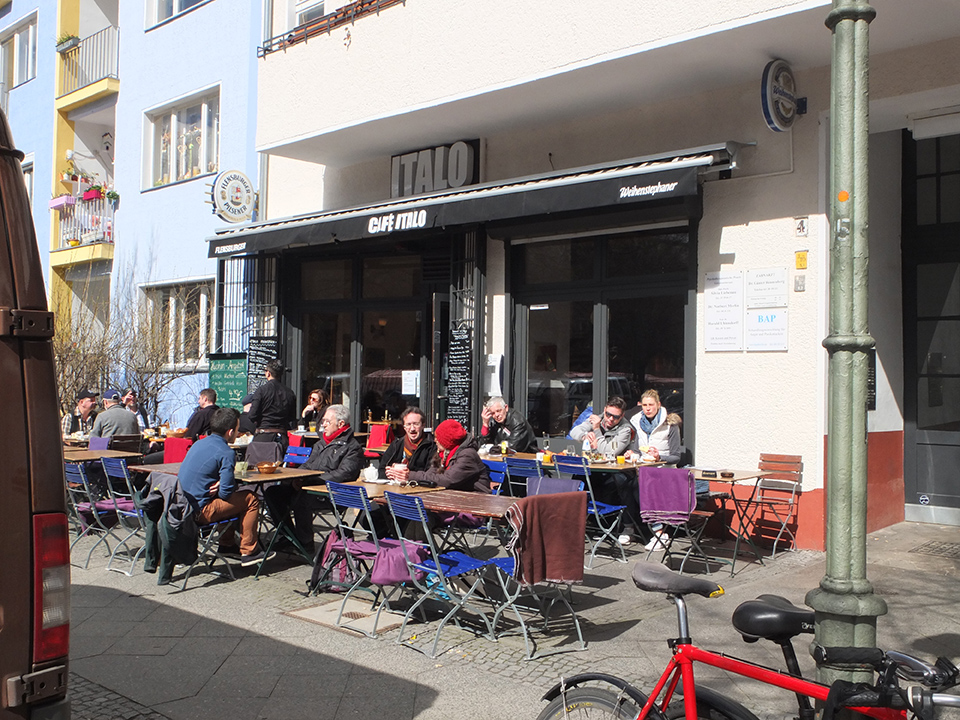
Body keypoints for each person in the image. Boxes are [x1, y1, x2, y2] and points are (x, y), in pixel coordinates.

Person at [177, 407, 274, 567]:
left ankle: (227, 543)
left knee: (235, 498)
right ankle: (249, 551)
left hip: (182, 507)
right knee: (251, 498)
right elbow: (226, 493)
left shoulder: (198, 444)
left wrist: (221, 483)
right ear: (230, 432)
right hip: (199, 512)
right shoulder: (226, 452)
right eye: (237, 430)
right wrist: (224, 484)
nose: (237, 433)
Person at [264, 404, 362, 553]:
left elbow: (343, 474)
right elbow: (307, 465)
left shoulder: (352, 447)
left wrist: (310, 480)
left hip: (332, 494)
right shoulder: (321, 443)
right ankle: (288, 536)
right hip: (309, 486)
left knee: (302, 497)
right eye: (323, 421)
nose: (323, 425)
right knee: (272, 492)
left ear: (341, 424)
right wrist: (297, 478)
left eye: (327, 421)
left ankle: (305, 543)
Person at [617, 389, 683, 548]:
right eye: (645, 405)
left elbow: (676, 456)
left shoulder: (670, 424)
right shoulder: (636, 422)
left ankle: (660, 532)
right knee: (621, 480)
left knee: (640, 485)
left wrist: (659, 456)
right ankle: (628, 527)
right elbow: (639, 450)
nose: (647, 408)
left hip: (665, 470)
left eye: (651, 405)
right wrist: (632, 453)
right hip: (643, 468)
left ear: (658, 405)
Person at [390, 419, 491, 493]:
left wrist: (410, 476)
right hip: (452, 497)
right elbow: (432, 473)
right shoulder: (444, 453)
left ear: (447, 441)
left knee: (425, 513)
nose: (435, 440)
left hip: (474, 503)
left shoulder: (468, 455)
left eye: (438, 438)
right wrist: (402, 474)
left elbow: (447, 480)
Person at [248, 358, 297, 451]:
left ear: (268, 373)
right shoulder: (290, 393)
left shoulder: (261, 391)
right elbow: (292, 418)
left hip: (263, 439)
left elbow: (252, 415)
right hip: (282, 439)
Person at [569, 396, 635, 456]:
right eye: (608, 414)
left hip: (614, 465)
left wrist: (597, 429)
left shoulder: (625, 429)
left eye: (616, 417)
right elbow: (574, 431)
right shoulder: (597, 419)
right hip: (593, 461)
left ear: (622, 416)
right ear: (604, 410)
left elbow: (608, 452)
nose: (611, 419)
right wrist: (585, 437)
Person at [383, 406, 436, 478]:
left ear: (423, 425)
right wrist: (388, 474)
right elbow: (382, 469)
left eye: (416, 424)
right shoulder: (396, 444)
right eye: (408, 424)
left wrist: (409, 476)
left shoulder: (432, 446)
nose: (412, 429)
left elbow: (431, 474)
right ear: (404, 427)